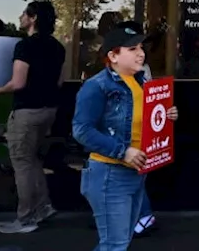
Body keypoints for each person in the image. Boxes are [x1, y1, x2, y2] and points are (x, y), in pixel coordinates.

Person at [72, 21, 178, 251]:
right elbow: (81, 130)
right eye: (132, 49)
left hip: (136, 172)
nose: (141, 53)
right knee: (115, 245)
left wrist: (165, 114)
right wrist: (123, 151)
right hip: (110, 173)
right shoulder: (96, 86)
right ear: (113, 56)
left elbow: (141, 122)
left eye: (141, 47)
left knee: (117, 243)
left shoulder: (139, 82)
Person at [0, 1, 67, 234]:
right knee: (34, 161)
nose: (20, 17)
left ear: (33, 18)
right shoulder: (58, 47)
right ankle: (43, 207)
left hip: (26, 111)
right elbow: (59, 82)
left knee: (21, 163)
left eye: (24, 14)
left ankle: (26, 217)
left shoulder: (25, 46)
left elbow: (18, 83)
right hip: (49, 111)